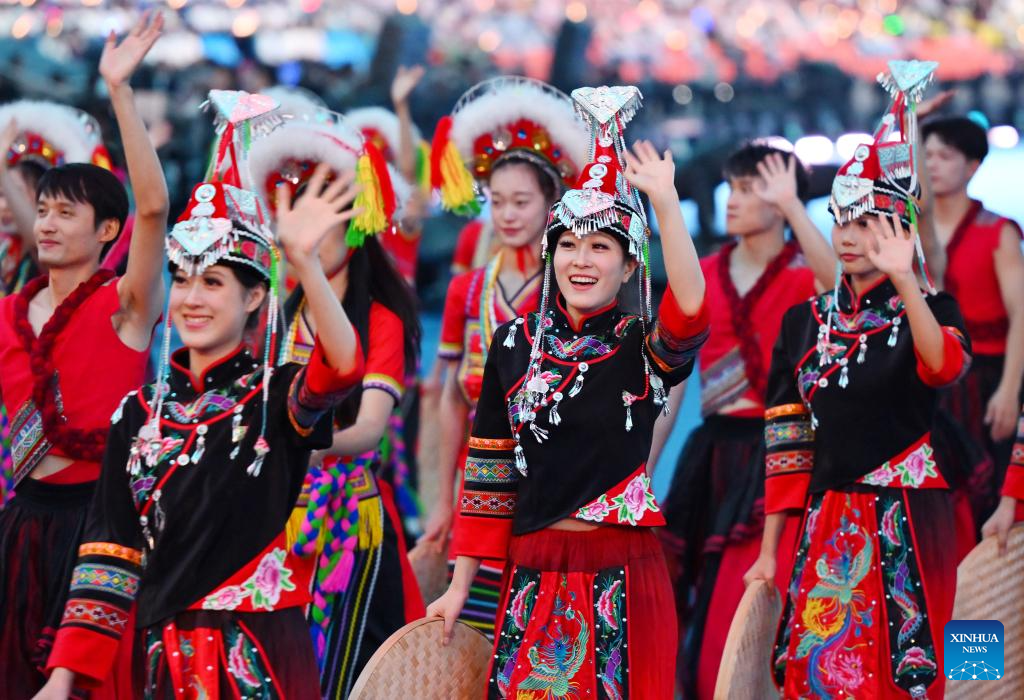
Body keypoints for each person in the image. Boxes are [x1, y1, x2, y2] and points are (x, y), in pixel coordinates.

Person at [36, 92, 365, 698]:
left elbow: (343, 369)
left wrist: (304, 262)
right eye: (183, 280)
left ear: (254, 297)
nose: (191, 298)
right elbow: (108, 552)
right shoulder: (138, 414)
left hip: (260, 654)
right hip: (162, 654)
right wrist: (63, 679)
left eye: (213, 282)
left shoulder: (276, 397)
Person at [428, 85, 709, 698]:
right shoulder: (512, 344)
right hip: (531, 568)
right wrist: (459, 585)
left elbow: (690, 311)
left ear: (629, 266)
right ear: (550, 253)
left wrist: (665, 205)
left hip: (625, 574)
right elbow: (488, 471)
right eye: (569, 245)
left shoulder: (639, 345)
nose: (582, 260)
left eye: (600, 247)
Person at [746, 62, 968, 699]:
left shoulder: (934, 309)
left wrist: (905, 280)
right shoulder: (804, 322)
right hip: (829, 518)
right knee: (819, 672)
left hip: (916, 519)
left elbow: (942, 367)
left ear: (899, 228)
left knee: (937, 667)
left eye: (866, 222)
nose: (847, 236)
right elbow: (787, 445)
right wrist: (770, 550)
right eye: (841, 220)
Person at [0, 15, 168, 698]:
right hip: (22, 521)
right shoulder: (7, 315)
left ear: (107, 231)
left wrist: (119, 90)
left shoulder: (124, 305)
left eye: (65, 213)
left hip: (104, 524)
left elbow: (153, 209)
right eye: (42, 210)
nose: (46, 223)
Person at [247, 109, 425, 698]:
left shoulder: (381, 319)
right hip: (275, 518)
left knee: (347, 673)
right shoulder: (278, 314)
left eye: (317, 228)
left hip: (347, 522)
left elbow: (371, 429)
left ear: (353, 228)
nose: (302, 243)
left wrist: (304, 444)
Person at [657, 141, 835, 699]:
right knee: (710, 609)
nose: (731, 200)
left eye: (748, 188)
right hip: (716, 455)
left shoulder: (806, 274)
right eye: (730, 187)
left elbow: (842, 291)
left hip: (789, 453)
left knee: (774, 598)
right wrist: (645, 468)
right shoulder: (701, 273)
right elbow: (671, 379)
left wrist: (794, 206)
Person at [420, 76, 589, 637]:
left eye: (522, 202)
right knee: (468, 639)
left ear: (552, 204)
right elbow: (450, 400)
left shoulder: (573, 291)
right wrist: (442, 500)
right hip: (477, 489)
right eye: (496, 202)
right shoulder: (467, 290)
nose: (508, 215)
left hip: (553, 492)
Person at [922, 115, 1024, 527]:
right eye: (926, 155)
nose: (932, 164)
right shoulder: (910, 233)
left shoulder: (998, 231)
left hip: (987, 380)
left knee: (989, 502)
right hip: (931, 381)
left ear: (973, 166)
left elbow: (1021, 314)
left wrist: (1009, 391)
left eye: (945, 156)